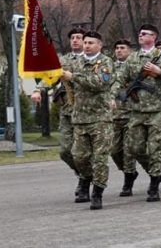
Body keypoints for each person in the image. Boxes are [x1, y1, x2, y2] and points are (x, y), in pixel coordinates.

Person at [111, 24, 161, 202]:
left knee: (154, 149)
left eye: (144, 33)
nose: (140, 35)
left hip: (157, 111)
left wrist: (159, 72)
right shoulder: (133, 58)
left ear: (153, 37)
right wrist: (112, 95)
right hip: (136, 111)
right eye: (139, 33)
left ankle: (154, 185)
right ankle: (156, 172)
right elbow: (119, 78)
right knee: (134, 148)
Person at [63, 31, 115, 209]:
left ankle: (97, 192)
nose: (86, 45)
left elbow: (101, 82)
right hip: (80, 118)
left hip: (101, 119)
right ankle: (85, 179)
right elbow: (57, 74)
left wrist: (74, 77)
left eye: (91, 43)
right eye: (85, 42)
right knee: (79, 156)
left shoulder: (106, 62)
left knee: (100, 158)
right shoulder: (74, 62)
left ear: (100, 45)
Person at [31, 27, 85, 197]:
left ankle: (85, 181)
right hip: (68, 112)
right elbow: (50, 78)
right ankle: (83, 174)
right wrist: (38, 90)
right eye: (72, 38)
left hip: (87, 113)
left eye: (78, 37)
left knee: (82, 152)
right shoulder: (63, 60)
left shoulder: (91, 60)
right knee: (65, 151)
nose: (75, 40)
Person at [111, 39, 139, 197]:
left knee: (129, 150)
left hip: (131, 113)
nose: (119, 50)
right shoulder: (109, 66)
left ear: (130, 50)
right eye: (117, 48)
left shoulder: (135, 66)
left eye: (122, 48)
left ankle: (128, 181)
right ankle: (128, 171)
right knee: (114, 150)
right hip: (114, 115)